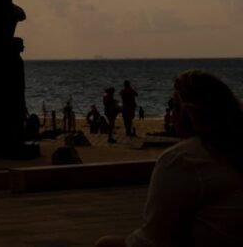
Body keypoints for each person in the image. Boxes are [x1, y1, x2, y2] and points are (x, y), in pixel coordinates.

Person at [95, 70, 243, 247]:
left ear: (187, 112)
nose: (171, 113)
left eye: (173, 105)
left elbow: (151, 241)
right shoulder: (231, 149)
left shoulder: (183, 158)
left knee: (104, 244)